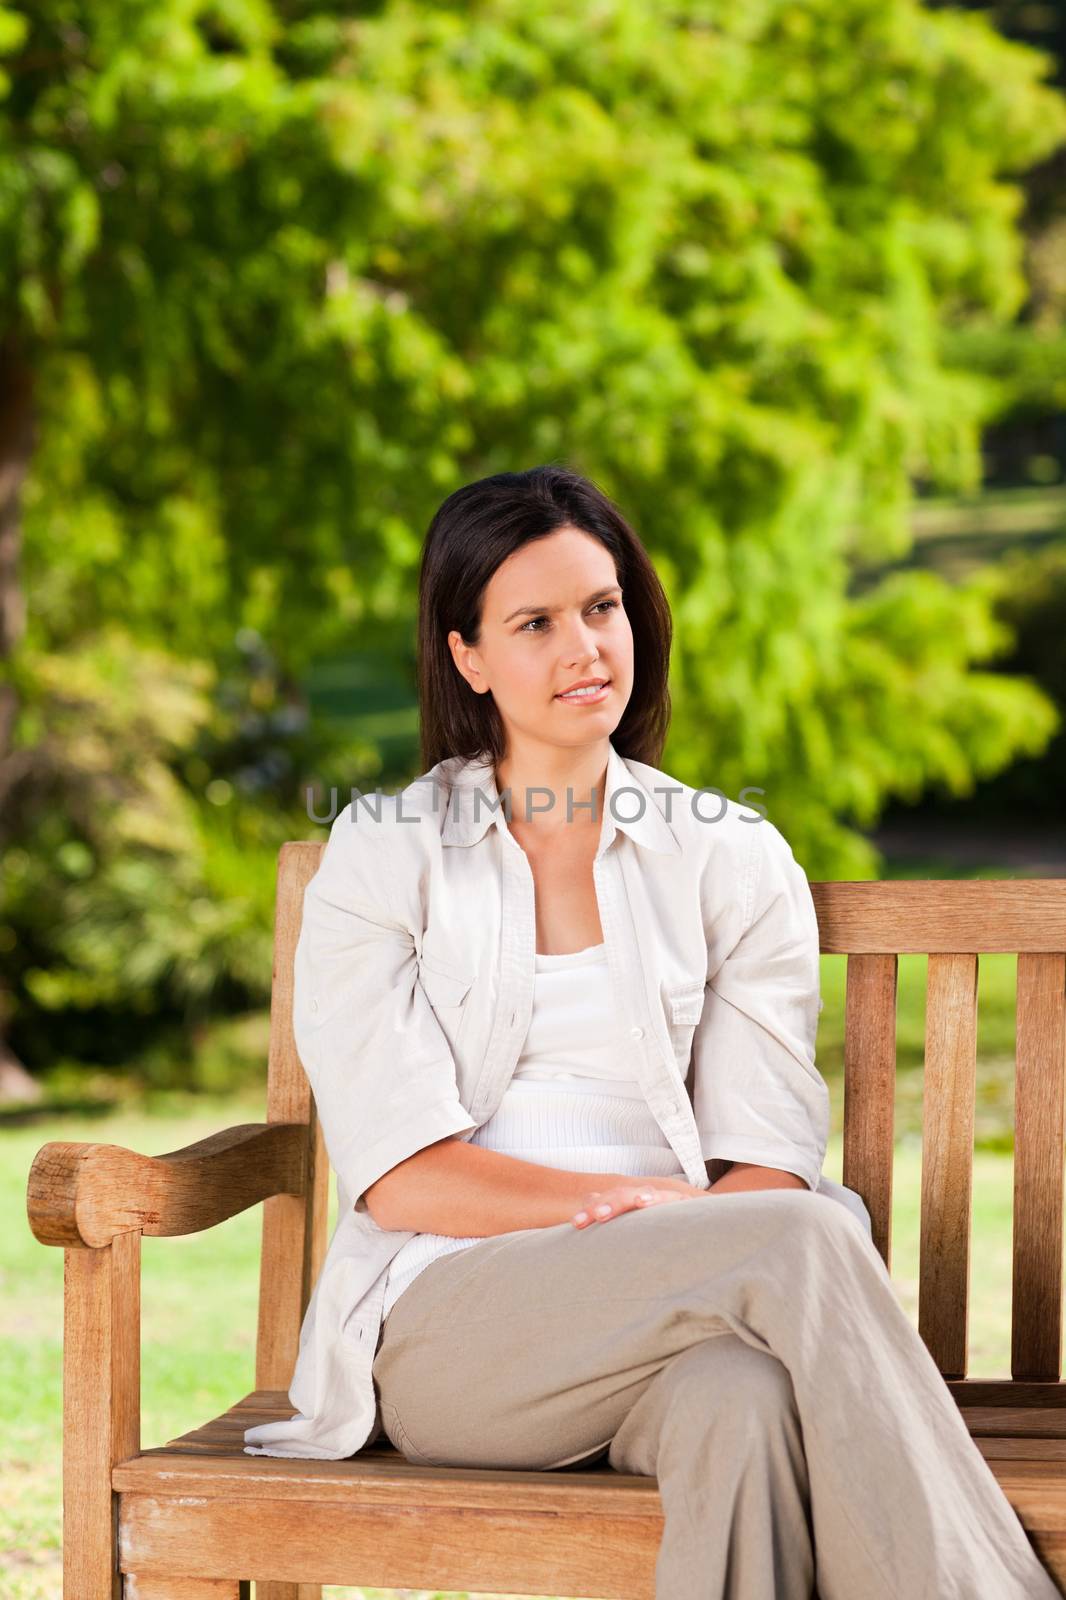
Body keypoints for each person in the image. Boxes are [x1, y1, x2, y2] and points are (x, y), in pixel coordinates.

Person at [246, 464, 1060, 1599]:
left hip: (692, 1300)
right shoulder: (386, 854)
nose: (586, 647)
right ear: (468, 656)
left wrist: (678, 1228)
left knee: (743, 1399)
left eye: (602, 605)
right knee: (800, 1234)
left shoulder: (726, 855)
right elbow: (405, 1178)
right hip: (457, 1327)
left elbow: (765, 1152)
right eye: (535, 622)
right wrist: (645, 1217)